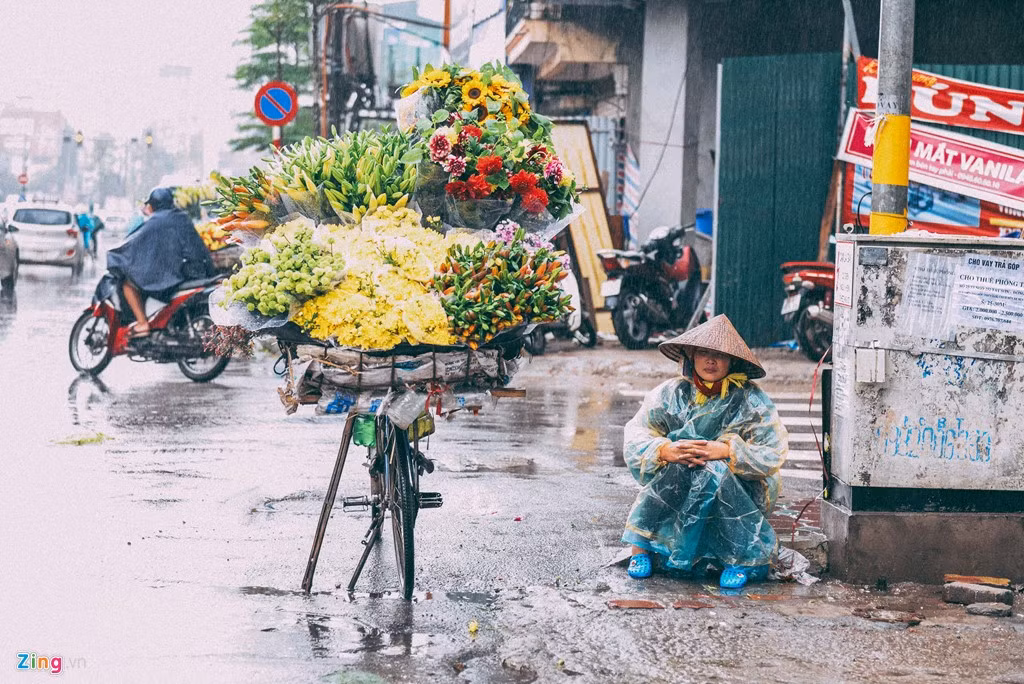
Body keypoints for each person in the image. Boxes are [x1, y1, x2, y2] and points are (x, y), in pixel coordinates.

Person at [621, 314, 789, 588]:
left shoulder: (751, 400)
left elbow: (772, 452)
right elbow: (637, 436)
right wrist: (665, 451)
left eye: (719, 355)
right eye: (704, 353)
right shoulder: (669, 394)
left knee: (716, 470)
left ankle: (739, 558)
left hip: (740, 490)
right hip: (680, 484)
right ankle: (641, 548)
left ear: (731, 361)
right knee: (681, 463)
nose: (711, 361)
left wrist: (725, 450)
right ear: (691, 356)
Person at [106, 187, 214, 337]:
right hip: (199, 270)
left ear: (153, 205)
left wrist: (117, 256)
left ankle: (143, 324)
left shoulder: (156, 221)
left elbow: (134, 244)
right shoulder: (181, 217)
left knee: (128, 284)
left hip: (179, 274)